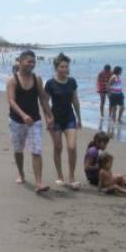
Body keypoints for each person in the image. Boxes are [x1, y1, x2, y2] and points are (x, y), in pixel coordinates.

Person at [7, 50, 54, 193]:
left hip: (34, 121)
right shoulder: (12, 80)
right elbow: (11, 101)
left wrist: (49, 115)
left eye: (34, 62)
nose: (31, 64)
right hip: (16, 121)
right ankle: (21, 173)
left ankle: (39, 182)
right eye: (29, 61)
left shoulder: (37, 78)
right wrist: (23, 115)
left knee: (36, 150)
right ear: (20, 62)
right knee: (18, 150)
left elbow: (42, 98)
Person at [44, 53, 82, 190]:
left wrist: (79, 118)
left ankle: (72, 176)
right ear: (56, 67)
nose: (65, 69)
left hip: (69, 117)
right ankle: (60, 175)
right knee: (58, 148)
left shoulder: (72, 81)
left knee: (71, 147)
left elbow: (75, 100)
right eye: (62, 66)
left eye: (66, 66)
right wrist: (48, 118)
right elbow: (44, 102)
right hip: (56, 119)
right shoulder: (50, 83)